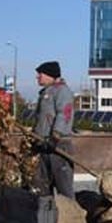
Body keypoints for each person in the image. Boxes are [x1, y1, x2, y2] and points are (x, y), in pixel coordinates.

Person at [32, 60, 75, 198]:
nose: (37, 77)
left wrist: (55, 136)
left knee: (64, 187)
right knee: (41, 187)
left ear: (50, 75)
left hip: (58, 146)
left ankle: (72, 215)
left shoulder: (62, 91)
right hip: (43, 145)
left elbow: (65, 114)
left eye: (40, 74)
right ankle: (45, 216)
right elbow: (41, 119)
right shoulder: (45, 93)